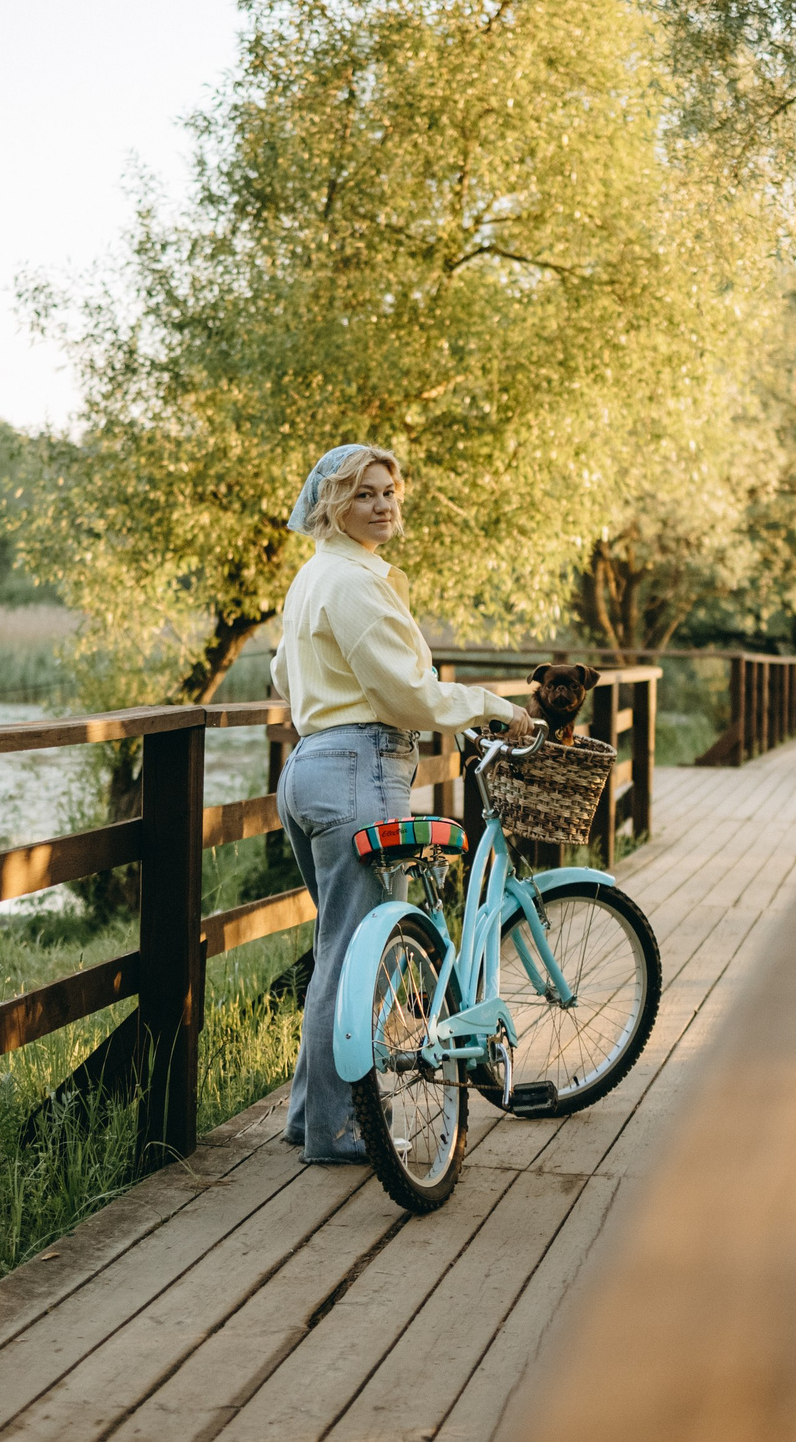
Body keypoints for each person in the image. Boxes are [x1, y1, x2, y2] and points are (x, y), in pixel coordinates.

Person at [269, 443, 538, 1164]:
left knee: (337, 949)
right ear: (333, 503)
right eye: (365, 494)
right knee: (354, 952)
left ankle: (308, 1115)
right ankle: (335, 1130)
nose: (384, 504)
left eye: (390, 492)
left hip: (310, 767)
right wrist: (492, 706)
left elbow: (281, 673)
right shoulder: (354, 582)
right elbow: (407, 695)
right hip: (357, 766)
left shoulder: (313, 576)